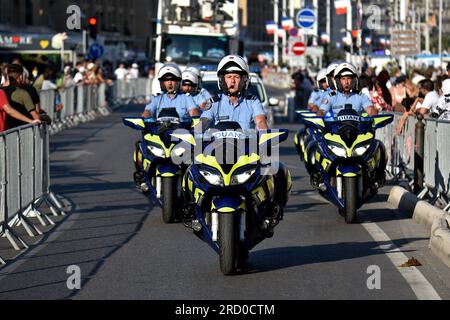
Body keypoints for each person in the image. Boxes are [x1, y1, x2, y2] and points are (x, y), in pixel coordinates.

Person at [200, 55, 268, 130]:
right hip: (218, 142)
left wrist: (263, 131)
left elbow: (261, 121)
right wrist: (196, 132)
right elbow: (203, 123)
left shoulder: (253, 102)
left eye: (236, 77)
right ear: (222, 80)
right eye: (229, 77)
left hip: (247, 142)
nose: (232, 81)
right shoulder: (213, 102)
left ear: (243, 80)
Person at [2, 64, 41, 129]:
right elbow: (36, 116)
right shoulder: (24, 93)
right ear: (20, 76)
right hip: (24, 132)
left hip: (5, 133)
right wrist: (34, 120)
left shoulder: (2, 92)